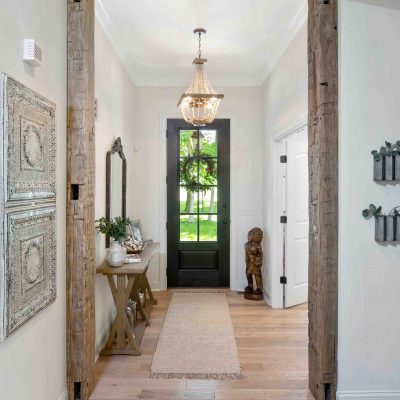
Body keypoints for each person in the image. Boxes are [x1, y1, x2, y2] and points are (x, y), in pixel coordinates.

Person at [244, 227, 264, 299]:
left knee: (257, 275)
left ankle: (259, 288)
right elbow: (246, 252)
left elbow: (260, 254)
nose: (259, 237)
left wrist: (258, 261)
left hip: (255, 264)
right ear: (251, 236)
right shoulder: (247, 244)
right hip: (249, 263)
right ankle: (250, 286)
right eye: (257, 235)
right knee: (248, 274)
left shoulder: (258, 246)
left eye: (260, 235)